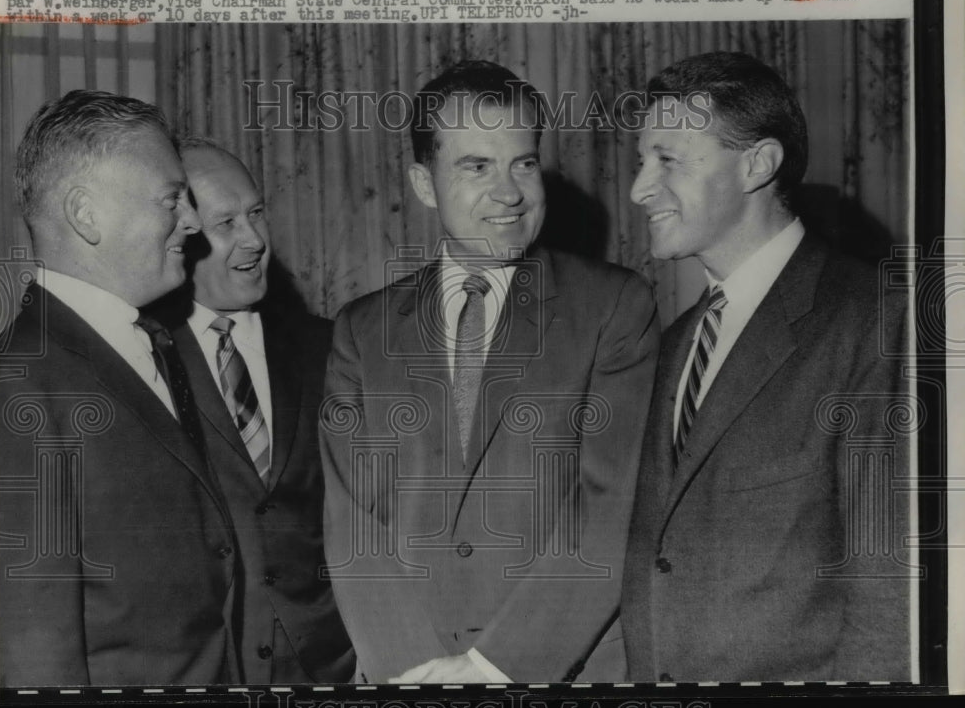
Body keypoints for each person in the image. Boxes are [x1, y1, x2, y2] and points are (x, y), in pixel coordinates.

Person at [320, 60, 659, 683]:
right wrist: (413, 672)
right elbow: (352, 520)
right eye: (476, 167)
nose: (510, 193)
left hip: (566, 671)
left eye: (523, 164)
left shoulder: (614, 305)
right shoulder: (362, 330)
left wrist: (496, 666)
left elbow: (614, 504)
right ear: (424, 184)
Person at [620, 51, 913, 682]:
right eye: (642, 162)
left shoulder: (877, 321)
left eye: (667, 159)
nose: (639, 188)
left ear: (757, 164)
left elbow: (890, 592)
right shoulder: (675, 344)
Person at [0, 91, 240, 685]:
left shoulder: (151, 344)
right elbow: (34, 651)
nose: (192, 221)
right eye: (171, 198)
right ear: (86, 214)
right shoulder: (17, 383)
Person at [165, 139, 354, 683]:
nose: (254, 239)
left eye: (257, 213)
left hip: (330, 669)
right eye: (226, 223)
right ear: (180, 234)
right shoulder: (145, 358)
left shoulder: (330, 347)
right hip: (210, 672)